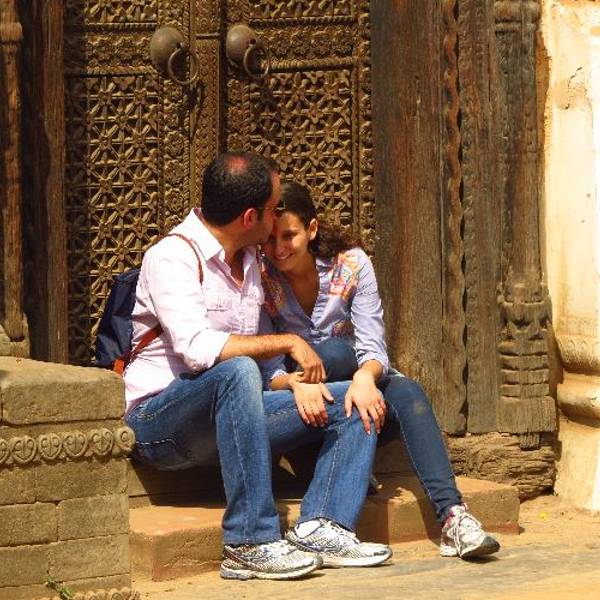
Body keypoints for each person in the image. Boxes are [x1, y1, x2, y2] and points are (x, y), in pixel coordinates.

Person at [123, 152, 392, 581]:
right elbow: (197, 350)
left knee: (352, 401)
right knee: (237, 370)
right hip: (161, 423)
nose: (276, 216)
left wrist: (293, 384)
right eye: (272, 209)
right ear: (251, 217)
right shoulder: (172, 257)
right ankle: (249, 540)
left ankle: (323, 526)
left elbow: (264, 364)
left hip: (237, 418)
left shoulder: (254, 263)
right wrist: (289, 342)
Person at [259, 180, 501, 560]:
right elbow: (269, 368)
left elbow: (373, 347)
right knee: (333, 353)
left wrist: (364, 377)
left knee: (408, 393)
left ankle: (454, 516)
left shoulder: (352, 265)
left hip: (359, 390)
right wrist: (294, 383)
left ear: (312, 229)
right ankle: (328, 466)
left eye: (289, 236)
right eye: (270, 239)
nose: (278, 249)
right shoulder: (260, 276)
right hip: (300, 407)